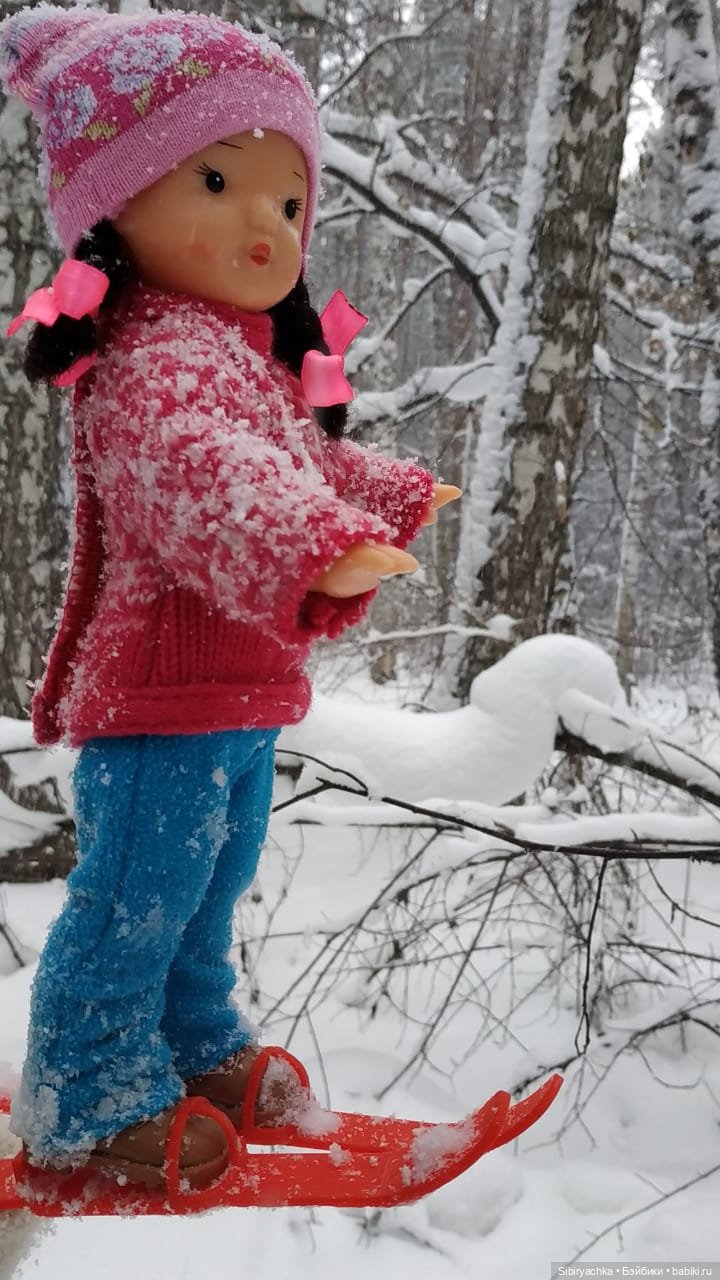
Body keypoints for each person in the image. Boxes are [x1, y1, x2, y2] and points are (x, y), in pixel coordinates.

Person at [0, 4, 460, 1191]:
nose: (268, 225)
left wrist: (392, 493)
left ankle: (191, 1042)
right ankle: (86, 1085)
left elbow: (301, 460)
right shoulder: (152, 361)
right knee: (138, 894)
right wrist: (315, 545)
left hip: (237, 691)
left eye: (289, 201)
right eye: (217, 180)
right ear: (114, 204)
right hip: (161, 695)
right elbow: (207, 478)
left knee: (207, 889)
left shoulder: (239, 354)